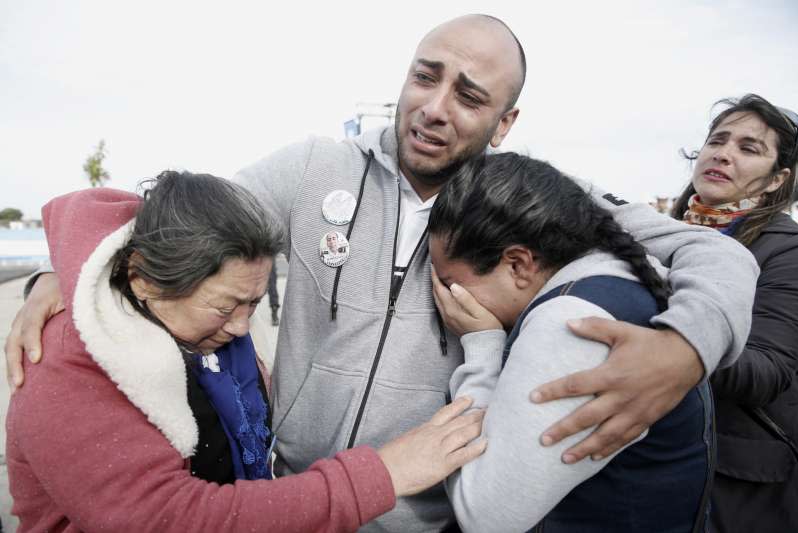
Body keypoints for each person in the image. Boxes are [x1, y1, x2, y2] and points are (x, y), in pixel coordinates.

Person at [5, 15, 759, 531]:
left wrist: (688, 346)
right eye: (425, 76)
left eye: (469, 95)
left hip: (430, 515)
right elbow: (173, 217)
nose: (433, 107)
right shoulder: (311, 168)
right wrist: (64, 271)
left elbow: (718, 253)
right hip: (292, 502)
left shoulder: (532, 201)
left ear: (505, 124)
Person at [6, 172, 485, 532]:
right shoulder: (67, 364)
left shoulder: (196, 327)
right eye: (224, 307)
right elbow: (168, 519)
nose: (241, 327)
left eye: (253, 304)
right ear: (142, 279)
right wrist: (381, 474)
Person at [428, 152, 713, 532]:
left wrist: (481, 344)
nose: (447, 298)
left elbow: (484, 515)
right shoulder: (619, 278)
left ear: (518, 264)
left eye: (451, 283)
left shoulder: (572, 325)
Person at [670, 94, 798, 532]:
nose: (723, 153)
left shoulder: (787, 250)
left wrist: (666, 346)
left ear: (774, 180)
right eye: (717, 140)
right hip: (654, 459)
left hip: (732, 481)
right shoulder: (666, 233)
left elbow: (768, 369)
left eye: (748, 148)